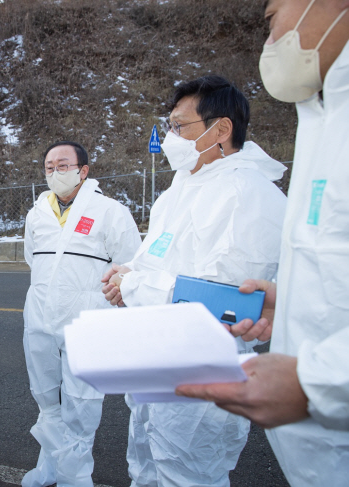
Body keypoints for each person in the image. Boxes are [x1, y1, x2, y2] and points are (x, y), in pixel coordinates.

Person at [175, 1, 349, 485]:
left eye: (271, 16)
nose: (267, 38)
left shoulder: (247, 190)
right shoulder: (324, 120)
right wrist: (291, 302)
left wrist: (320, 383)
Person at [102, 76, 287, 487]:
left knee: (189, 475)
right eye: (169, 126)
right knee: (146, 465)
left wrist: (135, 286)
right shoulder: (179, 188)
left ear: (220, 129)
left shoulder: (250, 194)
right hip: (154, 356)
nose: (170, 137)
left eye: (179, 127)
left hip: (204, 366)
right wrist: (124, 274)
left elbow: (229, 302)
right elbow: (153, 258)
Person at [22, 141, 142, 487]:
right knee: (47, 398)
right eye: (48, 167)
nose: (55, 172)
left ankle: (75, 478)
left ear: (82, 171)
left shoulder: (109, 211)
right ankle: (49, 467)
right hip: (41, 318)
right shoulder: (37, 213)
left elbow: (129, 264)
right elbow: (35, 260)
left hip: (87, 322)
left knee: (81, 405)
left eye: (63, 165)